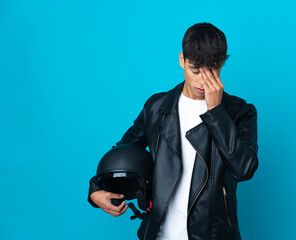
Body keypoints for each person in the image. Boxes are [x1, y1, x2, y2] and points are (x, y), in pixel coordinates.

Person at [88, 22, 259, 240]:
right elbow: (124, 153)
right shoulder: (157, 107)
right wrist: (96, 189)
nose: (202, 80)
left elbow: (244, 170)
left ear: (223, 64)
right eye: (195, 70)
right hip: (158, 234)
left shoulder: (240, 112)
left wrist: (216, 111)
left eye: (212, 70)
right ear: (182, 60)